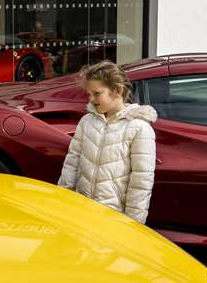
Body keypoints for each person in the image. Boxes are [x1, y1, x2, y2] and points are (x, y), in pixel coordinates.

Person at [57, 61, 157, 224]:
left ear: (117, 90)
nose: (91, 99)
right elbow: (72, 162)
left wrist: (133, 224)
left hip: (113, 218)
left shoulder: (139, 128)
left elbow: (141, 181)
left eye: (97, 93)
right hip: (82, 210)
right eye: (89, 94)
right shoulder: (86, 121)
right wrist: (63, 199)